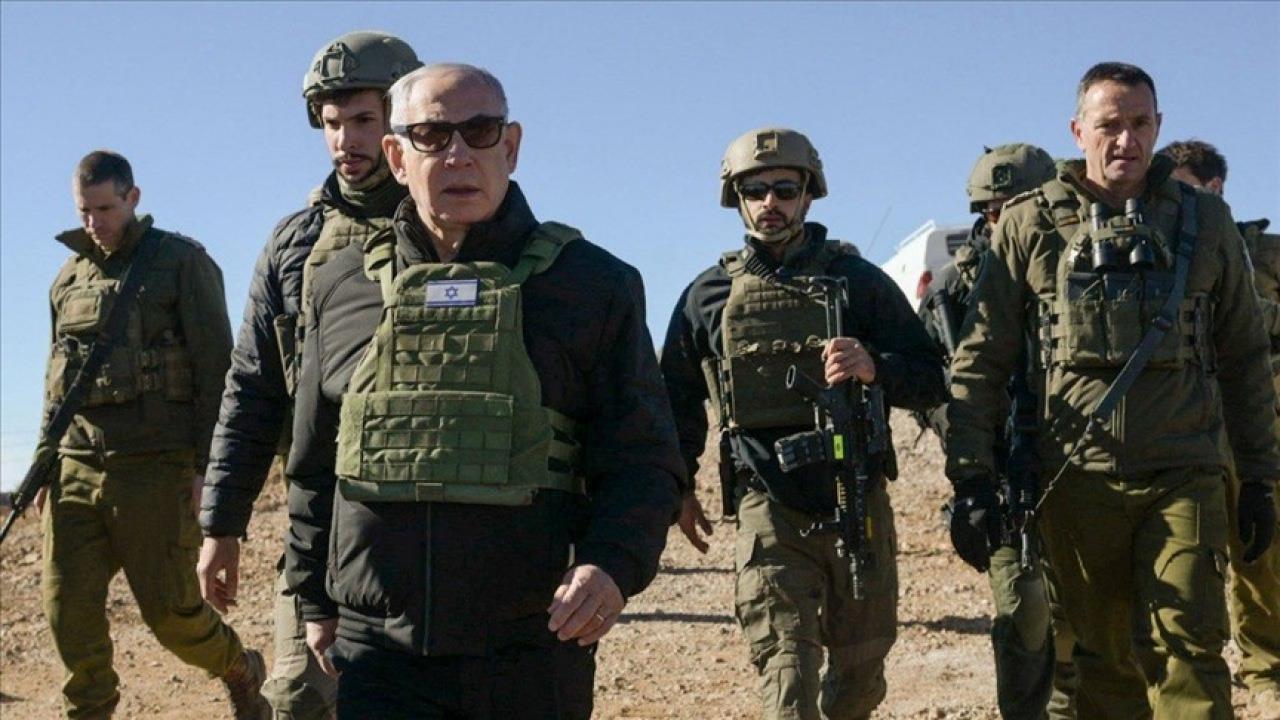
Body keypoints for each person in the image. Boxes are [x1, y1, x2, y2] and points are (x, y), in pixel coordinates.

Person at [283, 63, 683, 719]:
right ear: (397, 156)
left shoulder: (591, 284)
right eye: (432, 136)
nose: (459, 154)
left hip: (529, 648)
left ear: (511, 146)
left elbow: (644, 458)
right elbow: (313, 459)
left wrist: (611, 564)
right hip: (377, 653)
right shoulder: (341, 285)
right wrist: (313, 599)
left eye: (480, 131)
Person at [945, 62, 1278, 719]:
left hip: (1183, 473)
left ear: (1159, 127)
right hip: (1076, 480)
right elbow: (982, 360)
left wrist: (1261, 478)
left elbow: (1244, 358)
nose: (1126, 140)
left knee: (1189, 652)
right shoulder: (1029, 224)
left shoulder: (1206, 221)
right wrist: (971, 478)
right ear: (1078, 131)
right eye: (1109, 125)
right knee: (1103, 664)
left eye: (1140, 124)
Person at [661, 127, 945, 719]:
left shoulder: (859, 282)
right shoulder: (707, 296)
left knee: (860, 680)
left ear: (808, 195)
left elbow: (931, 377)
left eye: (785, 190)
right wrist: (679, 486)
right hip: (769, 507)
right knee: (787, 679)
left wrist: (873, 366)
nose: (771, 203)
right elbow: (674, 401)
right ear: (736, 199)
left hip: (857, 498)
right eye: (756, 190)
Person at [196, 30, 422, 720]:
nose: (345, 140)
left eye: (364, 120)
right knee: (300, 696)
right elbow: (252, 389)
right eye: (331, 122)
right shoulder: (294, 243)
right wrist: (222, 523)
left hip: (436, 515)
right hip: (323, 521)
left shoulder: (452, 222)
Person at [36, 150, 268, 719]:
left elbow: (218, 371)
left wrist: (207, 470)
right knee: (66, 609)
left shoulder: (181, 263)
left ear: (133, 198)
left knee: (171, 616)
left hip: (156, 469)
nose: (94, 222)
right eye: (84, 211)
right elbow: (56, 382)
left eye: (105, 209)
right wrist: (44, 462)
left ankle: (238, 667)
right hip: (77, 466)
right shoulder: (67, 279)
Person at [919, 143, 1061, 720]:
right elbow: (926, 387)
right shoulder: (952, 291)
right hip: (1004, 476)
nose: (1007, 221)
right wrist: (966, 436)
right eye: (996, 210)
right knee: (1024, 613)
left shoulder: (1073, 266)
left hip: (1080, 464)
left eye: (1021, 207)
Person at [1159, 139, 1280, 717]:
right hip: (1185, 430)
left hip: (1256, 426)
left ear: (1216, 189)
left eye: (1186, 189)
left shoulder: (1266, 253)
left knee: (1262, 557)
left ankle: (1265, 669)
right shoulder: (1163, 252)